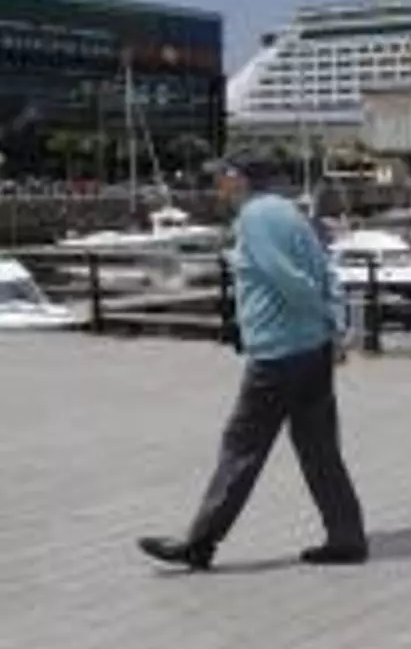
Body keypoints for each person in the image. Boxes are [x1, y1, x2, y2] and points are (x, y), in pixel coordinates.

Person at [138, 149, 367, 571]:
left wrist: (324, 319)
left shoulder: (256, 217)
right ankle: (347, 537)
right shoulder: (292, 212)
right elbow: (326, 272)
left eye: (223, 175)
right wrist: (333, 327)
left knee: (241, 447)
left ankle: (199, 543)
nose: (218, 183)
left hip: (278, 353)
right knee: (319, 447)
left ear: (241, 178)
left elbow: (289, 280)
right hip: (312, 350)